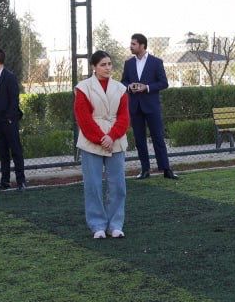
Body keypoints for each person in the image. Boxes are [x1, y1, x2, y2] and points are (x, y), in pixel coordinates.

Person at [74, 50, 130, 239]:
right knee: (93, 185)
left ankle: (115, 224)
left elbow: (124, 116)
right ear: (94, 68)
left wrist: (112, 136)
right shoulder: (83, 88)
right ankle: (97, 225)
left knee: (118, 185)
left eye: (109, 64)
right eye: (103, 65)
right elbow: (83, 118)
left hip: (115, 140)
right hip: (91, 142)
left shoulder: (120, 88)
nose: (107, 68)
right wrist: (100, 138)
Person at [121, 33, 179, 180]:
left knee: (158, 138)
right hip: (135, 107)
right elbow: (123, 82)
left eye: (133, 44)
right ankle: (145, 170)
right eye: (131, 43)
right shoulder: (128, 63)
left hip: (152, 107)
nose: (131, 46)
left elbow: (163, 83)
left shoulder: (156, 62)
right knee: (139, 140)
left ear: (142, 46)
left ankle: (166, 169)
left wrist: (146, 87)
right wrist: (130, 87)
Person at [0, 48, 26, 191]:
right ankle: (5, 182)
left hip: (9, 120)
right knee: (3, 152)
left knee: (15, 150)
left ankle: (21, 181)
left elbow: (14, 99)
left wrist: (10, 118)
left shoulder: (9, 77)